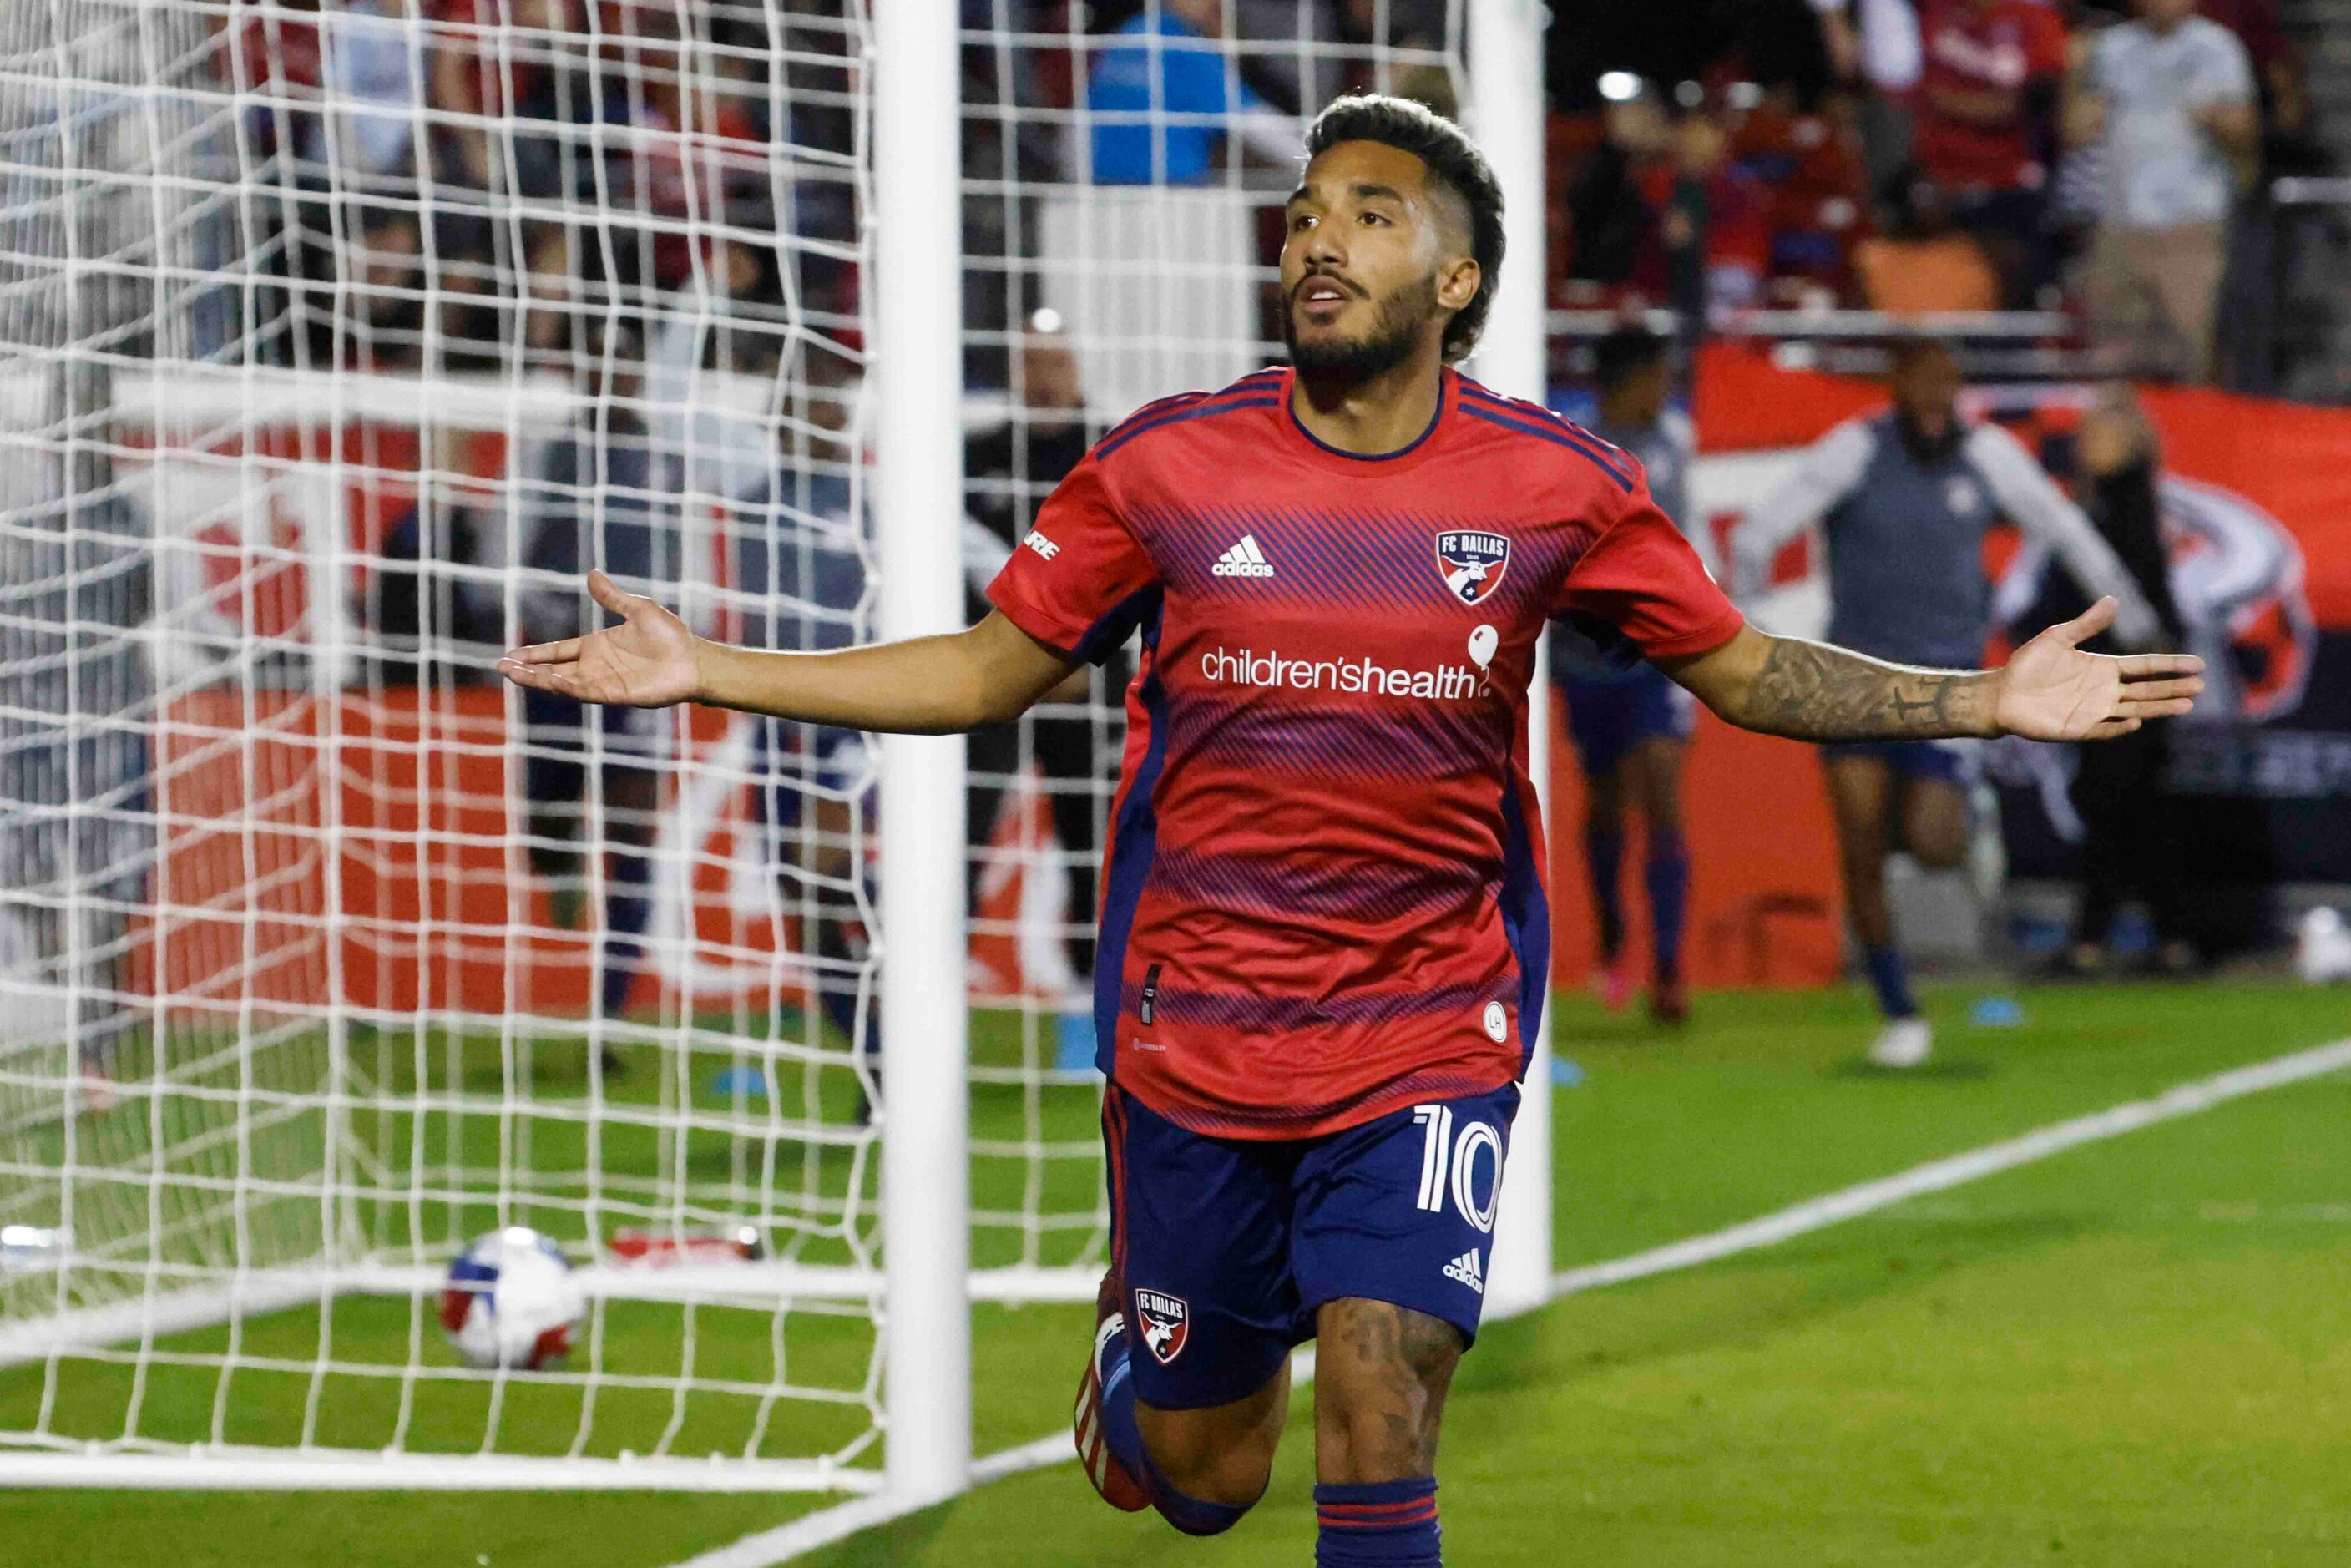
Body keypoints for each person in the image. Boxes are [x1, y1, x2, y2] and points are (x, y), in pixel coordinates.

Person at [500, 96, 2202, 1562]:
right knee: (1205, 1475)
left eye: (1369, 219)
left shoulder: (1556, 489)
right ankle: (1140, 1375)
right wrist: (706, 665)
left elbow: (1745, 674)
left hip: (1425, 1020)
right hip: (1196, 1033)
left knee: (1381, 1394)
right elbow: (985, 669)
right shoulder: (1168, 469)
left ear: (1453, 282)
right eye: (1305, 218)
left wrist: (1983, 699)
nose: (1318, 243)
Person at [1732, 336, 2166, 1070]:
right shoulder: (1854, 451)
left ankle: (1973, 821)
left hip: (1948, 687)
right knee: (1860, 847)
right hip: (1851, 680)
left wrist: (2135, 618)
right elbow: (1757, 531)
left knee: (1932, 841)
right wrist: (1754, 627)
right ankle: (1899, 1009)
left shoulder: (1990, 455)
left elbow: (2061, 529)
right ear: (1898, 386)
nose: (1935, 400)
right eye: (1922, 383)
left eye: (1947, 385)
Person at [1550, 327, 1704, 1024]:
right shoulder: (1574, 443)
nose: (1665, 387)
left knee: (1665, 795)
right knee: (1607, 802)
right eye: (1655, 375)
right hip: (1587, 654)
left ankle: (1669, 966)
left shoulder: (1675, 439)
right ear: (1626, 380)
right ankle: (1614, 930)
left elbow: (1682, 533)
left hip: (1659, 654)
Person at [2045, 387, 2194, 974]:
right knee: (2133, 806)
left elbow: (2122, 599)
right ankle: (2164, 938)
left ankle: (2096, 940)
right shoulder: (2120, 503)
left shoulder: (2121, 506)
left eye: (2093, 436)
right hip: (2125, 668)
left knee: (2116, 801)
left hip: (2126, 671)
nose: (2082, 447)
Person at [2065, 0, 2258, 382]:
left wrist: (2215, 116)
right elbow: (2075, 129)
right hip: (2119, 222)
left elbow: (2246, 133)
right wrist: (2076, 74)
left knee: (2189, 352)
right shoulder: (2110, 48)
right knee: (2113, 358)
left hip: (2189, 224)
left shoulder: (2217, 47)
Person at [1906, 0, 2070, 307]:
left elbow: (2029, 103)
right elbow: (1908, 90)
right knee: (1946, 306)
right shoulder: (1933, 14)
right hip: (1944, 186)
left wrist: (1953, 103)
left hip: (2013, 187)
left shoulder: (2033, 18)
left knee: (2017, 306)